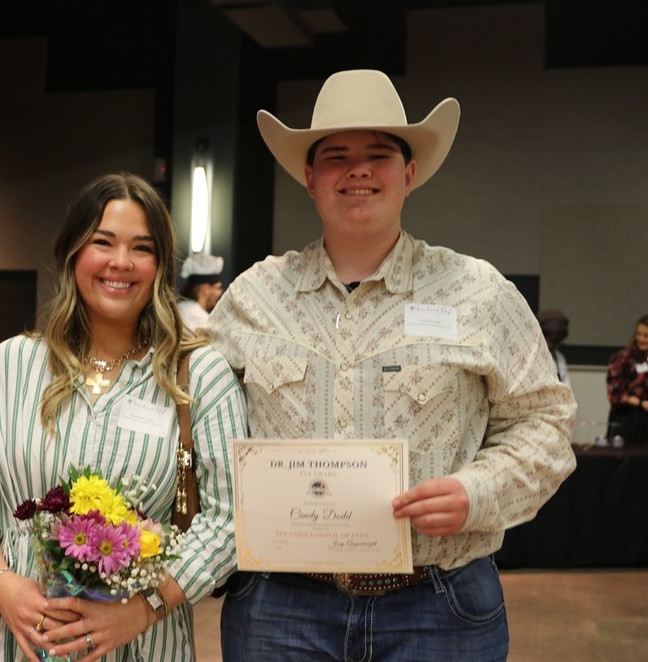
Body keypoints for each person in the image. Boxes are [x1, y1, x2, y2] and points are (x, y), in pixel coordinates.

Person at [207, 69, 577, 661]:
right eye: (336, 156)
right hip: (279, 610)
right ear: (309, 176)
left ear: (408, 174)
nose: (357, 169)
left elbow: (547, 424)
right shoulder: (253, 298)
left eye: (378, 155)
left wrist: (474, 492)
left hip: (440, 606)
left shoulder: (478, 293)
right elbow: (193, 425)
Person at [0, 172, 247, 661]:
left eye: (142, 248)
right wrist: (1, 584)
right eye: (102, 242)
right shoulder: (8, 365)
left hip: (143, 643)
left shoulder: (199, 375)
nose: (120, 263)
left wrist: (143, 609)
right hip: (2, 638)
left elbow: (230, 519)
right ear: (73, 253)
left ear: (161, 265)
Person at [605, 314, 648, 445]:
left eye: (646, 336)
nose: (641, 339)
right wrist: (641, 403)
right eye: (639, 334)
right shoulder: (622, 359)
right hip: (626, 420)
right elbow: (615, 395)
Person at [178, 252, 224, 331]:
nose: (220, 293)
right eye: (217, 288)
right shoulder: (203, 321)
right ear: (205, 289)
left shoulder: (179, 308)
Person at [537, 309, 571, 384]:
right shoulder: (530, 358)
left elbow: (567, 387)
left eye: (558, 343)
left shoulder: (559, 359)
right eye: (552, 342)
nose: (554, 346)